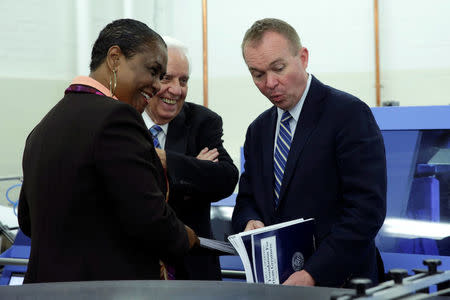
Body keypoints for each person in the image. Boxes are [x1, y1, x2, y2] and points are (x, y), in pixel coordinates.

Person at [17, 19, 199, 283]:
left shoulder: (44, 126)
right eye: (153, 71)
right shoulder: (117, 118)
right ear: (115, 58)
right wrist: (186, 237)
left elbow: (28, 221)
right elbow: (150, 219)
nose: (158, 86)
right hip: (103, 288)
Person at [231, 18, 387, 287]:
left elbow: (365, 211)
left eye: (278, 68)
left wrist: (314, 273)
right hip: (279, 284)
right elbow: (247, 200)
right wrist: (249, 221)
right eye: (257, 74)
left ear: (302, 57)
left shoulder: (348, 114)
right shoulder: (259, 130)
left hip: (341, 283)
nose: (270, 83)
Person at [143, 36, 239, 280]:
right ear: (148, 78)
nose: (176, 90)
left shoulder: (202, 122)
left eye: (183, 80)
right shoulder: (122, 120)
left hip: (193, 270)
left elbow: (226, 179)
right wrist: (196, 168)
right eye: (167, 78)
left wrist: (169, 162)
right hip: (134, 269)